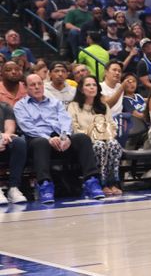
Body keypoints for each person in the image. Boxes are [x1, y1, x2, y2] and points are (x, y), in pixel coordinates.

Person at [14, 73, 105, 203]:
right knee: (41, 142)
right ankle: (45, 185)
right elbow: (27, 127)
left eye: (39, 84)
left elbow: (65, 120)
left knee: (82, 138)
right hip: (37, 140)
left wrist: (65, 136)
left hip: (60, 139)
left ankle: (91, 181)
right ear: (26, 87)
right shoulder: (21, 106)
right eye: (33, 85)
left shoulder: (55, 103)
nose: (37, 87)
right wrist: (48, 138)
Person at [68, 76, 123, 196]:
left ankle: (113, 182)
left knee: (113, 144)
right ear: (81, 89)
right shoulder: (74, 106)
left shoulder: (103, 106)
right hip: (85, 142)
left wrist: (109, 136)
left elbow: (112, 125)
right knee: (99, 146)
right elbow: (73, 128)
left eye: (94, 85)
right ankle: (100, 182)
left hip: (105, 138)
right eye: (88, 85)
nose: (92, 87)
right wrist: (94, 136)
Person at [0, 101, 28, 204]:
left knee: (19, 142)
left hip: (3, 141)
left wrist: (4, 137)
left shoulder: (5, 106)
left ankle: (13, 188)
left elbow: (10, 127)